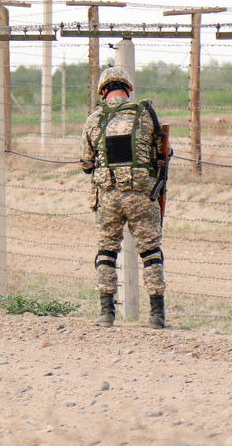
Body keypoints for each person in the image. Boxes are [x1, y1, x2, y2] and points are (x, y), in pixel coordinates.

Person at [80, 66, 169, 330]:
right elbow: (162, 152)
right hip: (142, 195)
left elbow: (86, 164)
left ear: (103, 91)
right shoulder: (145, 114)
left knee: (107, 252)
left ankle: (106, 312)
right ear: (128, 89)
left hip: (108, 196)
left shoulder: (93, 120)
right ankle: (156, 315)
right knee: (151, 252)